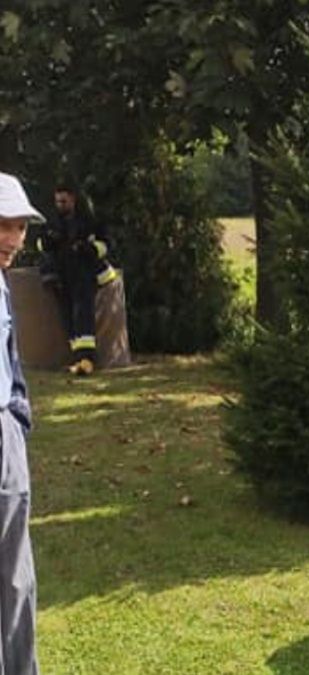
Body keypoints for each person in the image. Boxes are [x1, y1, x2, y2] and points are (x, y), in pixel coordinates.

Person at [0, 172, 41, 673]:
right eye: (2, 225)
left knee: (15, 579)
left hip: (5, 439)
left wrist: (16, 415)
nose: (13, 239)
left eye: (20, 228)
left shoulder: (2, 284)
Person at [36, 185, 117, 376]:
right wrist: (47, 242)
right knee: (68, 318)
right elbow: (40, 243)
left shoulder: (89, 220)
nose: (59, 205)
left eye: (63, 201)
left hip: (84, 274)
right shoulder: (53, 220)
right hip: (60, 277)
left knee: (83, 314)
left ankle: (87, 358)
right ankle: (78, 359)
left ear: (73, 199)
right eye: (57, 201)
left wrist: (88, 248)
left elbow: (106, 244)